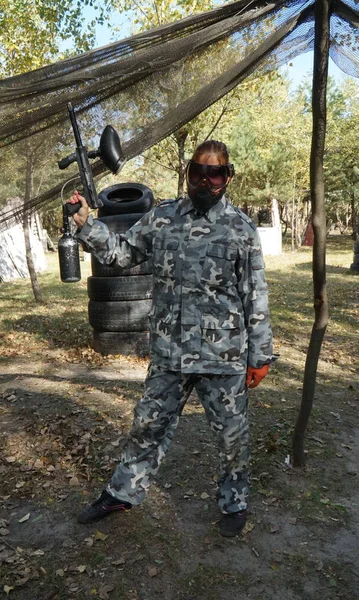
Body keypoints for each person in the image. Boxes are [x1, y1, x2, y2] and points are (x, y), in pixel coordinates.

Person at [67, 140, 274, 537]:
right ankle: (122, 493)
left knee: (232, 436)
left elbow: (256, 294)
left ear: (227, 177)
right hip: (170, 353)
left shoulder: (240, 228)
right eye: (198, 171)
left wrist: (260, 355)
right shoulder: (160, 219)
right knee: (147, 426)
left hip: (223, 356)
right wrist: (86, 224)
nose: (205, 180)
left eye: (215, 173)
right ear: (188, 173)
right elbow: (121, 255)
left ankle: (235, 503)